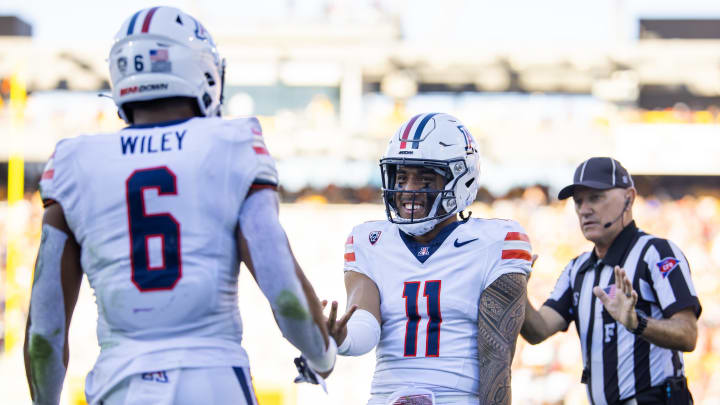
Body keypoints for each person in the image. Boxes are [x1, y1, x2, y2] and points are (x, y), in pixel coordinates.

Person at [23, 6, 335, 405]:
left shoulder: (74, 162)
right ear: (204, 71)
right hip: (214, 381)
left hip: (120, 385)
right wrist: (321, 356)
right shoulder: (233, 144)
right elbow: (284, 292)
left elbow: (43, 335)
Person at [323, 113, 532, 405]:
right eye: (401, 176)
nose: (408, 190)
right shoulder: (369, 241)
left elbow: (495, 359)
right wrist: (341, 336)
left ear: (461, 180)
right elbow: (365, 324)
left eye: (424, 179)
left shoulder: (495, 242)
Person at [521, 157, 701, 405]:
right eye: (579, 201)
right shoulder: (577, 269)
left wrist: (637, 323)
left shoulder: (656, 253)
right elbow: (537, 330)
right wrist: (515, 290)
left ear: (629, 197)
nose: (584, 209)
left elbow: (688, 334)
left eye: (595, 197)